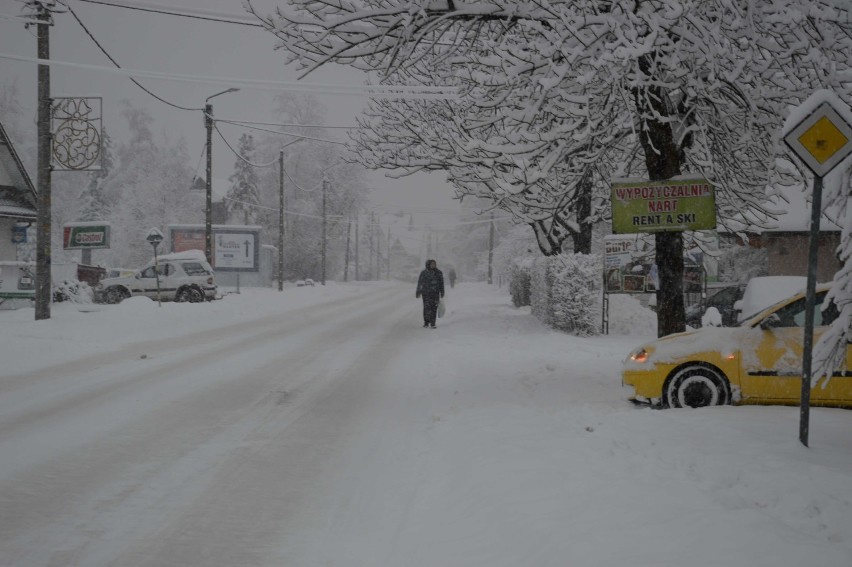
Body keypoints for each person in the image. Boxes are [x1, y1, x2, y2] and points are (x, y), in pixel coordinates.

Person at [416, 259, 444, 328]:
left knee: (434, 308)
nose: (433, 265)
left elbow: (441, 283)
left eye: (434, 264)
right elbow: (420, 282)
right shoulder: (424, 273)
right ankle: (426, 322)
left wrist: (442, 291)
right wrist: (418, 291)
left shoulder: (439, 273)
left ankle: (433, 323)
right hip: (426, 293)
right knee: (426, 308)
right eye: (432, 264)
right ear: (428, 264)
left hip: (435, 293)